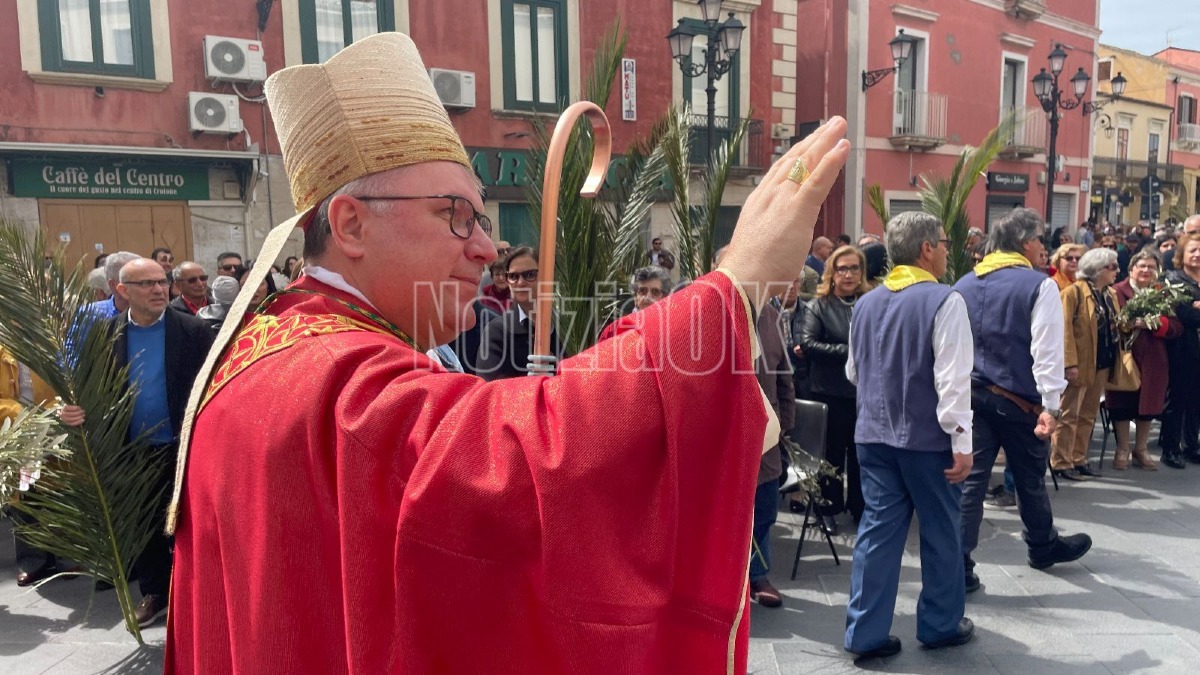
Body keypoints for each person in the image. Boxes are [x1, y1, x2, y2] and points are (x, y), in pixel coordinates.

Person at [163, 32, 851, 673]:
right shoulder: (328, 373)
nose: (486, 247)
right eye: (454, 214)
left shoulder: (271, 346)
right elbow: (521, 456)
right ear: (350, 223)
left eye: (482, 219)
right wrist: (733, 287)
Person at [843, 211, 975, 660]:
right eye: (942, 242)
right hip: (926, 440)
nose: (945, 250)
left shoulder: (865, 302)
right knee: (940, 532)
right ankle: (939, 624)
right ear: (926, 249)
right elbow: (954, 381)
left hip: (873, 435)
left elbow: (855, 372)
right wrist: (962, 441)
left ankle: (865, 631)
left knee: (877, 532)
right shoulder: (944, 299)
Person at [59, 258, 214, 627]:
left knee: (191, 525)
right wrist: (70, 410)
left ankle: (199, 593)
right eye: (146, 284)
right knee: (145, 526)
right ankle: (156, 594)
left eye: (161, 282)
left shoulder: (194, 331)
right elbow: (85, 388)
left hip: (184, 448)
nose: (159, 290)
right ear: (122, 291)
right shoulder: (105, 335)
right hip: (130, 449)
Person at [955, 207, 1092, 595]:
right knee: (1029, 479)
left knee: (973, 482)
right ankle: (1042, 545)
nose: (1043, 249)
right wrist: (1051, 405)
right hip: (1018, 401)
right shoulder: (1037, 285)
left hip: (971, 395)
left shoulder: (964, 282)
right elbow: (1047, 351)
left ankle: (959, 563)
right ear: (1025, 242)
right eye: (1040, 241)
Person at [798, 245, 870, 534]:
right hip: (828, 392)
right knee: (830, 456)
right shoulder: (819, 305)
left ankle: (860, 506)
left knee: (860, 455)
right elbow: (808, 344)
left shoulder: (869, 301)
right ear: (832, 272)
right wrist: (853, 351)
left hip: (863, 395)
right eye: (842, 269)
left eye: (854, 268)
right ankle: (826, 510)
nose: (849, 274)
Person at [1050, 248, 1120, 481]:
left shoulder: (1108, 294)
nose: (1117, 271)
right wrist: (1069, 363)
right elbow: (1064, 331)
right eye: (1112, 267)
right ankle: (1061, 460)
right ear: (1098, 270)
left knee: (1088, 414)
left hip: (1100, 362)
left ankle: (1079, 457)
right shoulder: (1073, 293)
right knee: (1069, 414)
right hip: (1079, 364)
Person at [1106, 249, 1179, 470]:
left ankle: (1141, 448)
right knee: (1121, 401)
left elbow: (1177, 327)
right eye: (1142, 266)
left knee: (1149, 403)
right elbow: (1109, 323)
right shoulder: (1117, 291)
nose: (1146, 270)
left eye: (1151, 267)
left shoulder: (1163, 294)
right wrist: (1128, 323)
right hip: (1125, 356)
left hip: (1154, 357)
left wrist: (1157, 324)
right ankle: (1122, 448)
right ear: (1131, 269)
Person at [748, 292, 795, 609]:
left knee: (764, 510)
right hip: (722, 440)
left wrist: (786, 424)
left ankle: (758, 574)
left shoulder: (772, 319)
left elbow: (784, 378)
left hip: (767, 433)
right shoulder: (709, 315)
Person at [475, 247, 563, 381]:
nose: (521, 282)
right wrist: (530, 384)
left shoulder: (565, 325)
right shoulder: (497, 332)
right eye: (513, 276)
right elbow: (490, 389)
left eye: (530, 274)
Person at [1160, 233, 1200, 468]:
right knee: (1178, 399)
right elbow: (1184, 314)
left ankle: (1191, 445)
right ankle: (1170, 448)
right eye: (1192, 250)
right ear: (1181, 255)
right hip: (1183, 349)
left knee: (1197, 401)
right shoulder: (1175, 279)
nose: (1197, 255)